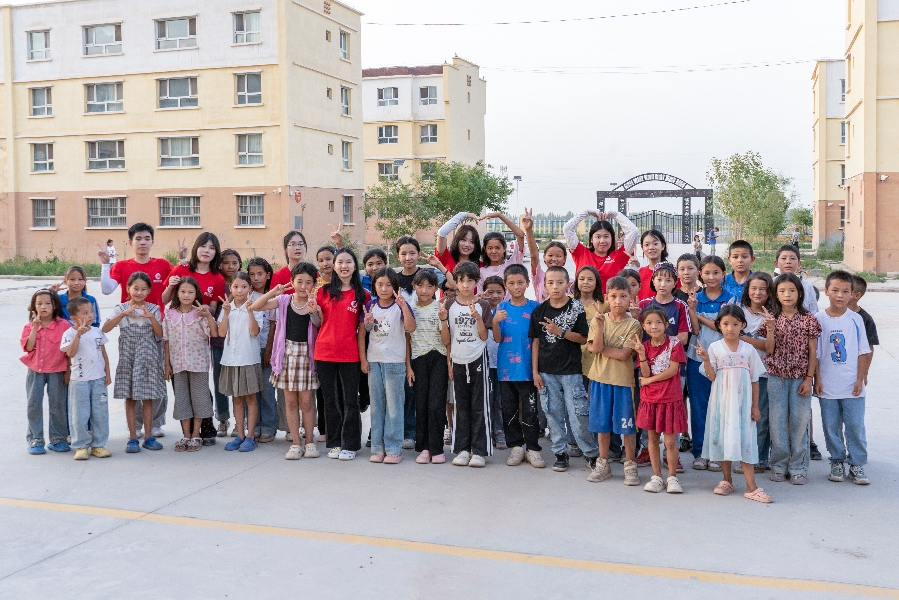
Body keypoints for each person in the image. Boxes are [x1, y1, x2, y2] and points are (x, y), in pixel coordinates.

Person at [97, 223, 184, 437]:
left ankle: (155, 424)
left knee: (155, 378)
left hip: (156, 328)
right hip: (131, 329)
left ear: (153, 241)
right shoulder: (122, 266)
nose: (142, 242)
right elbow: (107, 289)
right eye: (138, 238)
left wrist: (182, 261)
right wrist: (106, 265)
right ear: (130, 242)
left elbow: (180, 282)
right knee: (132, 378)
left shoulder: (163, 264)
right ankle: (135, 426)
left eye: (146, 238)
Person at [694, 305, 772, 503]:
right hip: (722, 403)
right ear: (719, 326)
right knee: (724, 439)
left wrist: (755, 406)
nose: (730, 328)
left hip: (743, 405)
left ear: (743, 325)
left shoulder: (748, 349)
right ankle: (726, 480)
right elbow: (711, 376)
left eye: (735, 324)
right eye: (726, 324)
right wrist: (705, 360)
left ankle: (751, 487)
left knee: (746, 440)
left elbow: (755, 379)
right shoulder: (715, 348)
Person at [530, 266, 597, 473]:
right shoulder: (540, 310)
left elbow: (584, 338)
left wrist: (561, 332)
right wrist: (535, 372)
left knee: (578, 415)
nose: (555, 287)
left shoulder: (576, 307)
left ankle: (591, 454)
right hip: (546, 371)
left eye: (560, 282)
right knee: (552, 413)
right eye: (550, 283)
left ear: (568, 284)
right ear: (545, 285)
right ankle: (560, 453)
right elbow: (535, 342)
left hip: (571, 371)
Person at [252, 263, 321, 460]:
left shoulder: (314, 302)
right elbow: (256, 306)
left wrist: (313, 311)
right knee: (290, 402)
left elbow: (319, 324)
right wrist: (273, 291)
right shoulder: (283, 300)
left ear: (314, 284)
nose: (303, 286)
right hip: (287, 354)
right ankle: (296, 444)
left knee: (307, 402)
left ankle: (310, 442)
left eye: (308, 282)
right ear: (292, 282)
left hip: (307, 355)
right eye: (299, 281)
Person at [161, 232, 226, 444]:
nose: (207, 251)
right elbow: (165, 299)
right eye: (203, 246)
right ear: (196, 248)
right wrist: (170, 285)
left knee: (200, 390)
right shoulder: (181, 269)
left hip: (199, 335)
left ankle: (204, 431)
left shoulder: (217, 277)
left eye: (212, 248)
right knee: (182, 392)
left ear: (216, 252)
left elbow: (214, 306)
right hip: (178, 340)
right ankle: (187, 434)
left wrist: (205, 310)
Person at [757, 273, 821, 485]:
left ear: (800, 293)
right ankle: (778, 465)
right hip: (777, 377)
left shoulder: (809, 319)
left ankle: (798, 467)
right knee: (777, 422)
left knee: (800, 422)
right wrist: (771, 328)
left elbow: (813, 352)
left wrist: (809, 378)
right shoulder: (771, 318)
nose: (787, 294)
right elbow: (769, 349)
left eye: (792, 290)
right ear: (775, 294)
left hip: (800, 378)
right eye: (782, 291)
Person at [814, 270, 872, 485]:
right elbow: (815, 354)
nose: (840, 295)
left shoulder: (856, 319)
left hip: (851, 385)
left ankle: (856, 463)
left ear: (852, 294)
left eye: (845, 291)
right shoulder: (818, 320)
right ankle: (837, 460)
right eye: (835, 290)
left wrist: (860, 378)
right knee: (831, 426)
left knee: (855, 425)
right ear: (826, 291)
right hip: (827, 385)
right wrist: (817, 379)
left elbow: (863, 351)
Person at [632, 262, 692, 470]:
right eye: (659, 279)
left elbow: (683, 336)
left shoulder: (680, 305)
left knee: (671, 409)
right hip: (647, 364)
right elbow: (636, 332)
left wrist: (663, 345)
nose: (663, 284)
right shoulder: (643, 304)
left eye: (668, 280)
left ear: (675, 283)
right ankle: (647, 450)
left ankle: (671, 454)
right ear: (652, 281)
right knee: (649, 410)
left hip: (672, 366)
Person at [586, 276, 642, 484]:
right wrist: (600, 328)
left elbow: (624, 354)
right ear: (606, 297)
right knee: (602, 424)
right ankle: (603, 463)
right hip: (599, 379)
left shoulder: (634, 325)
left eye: (623, 296)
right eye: (614, 296)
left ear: (630, 298)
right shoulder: (598, 320)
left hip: (623, 382)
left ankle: (630, 464)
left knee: (627, 426)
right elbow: (594, 347)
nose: (618, 301)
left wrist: (600, 348)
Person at [102, 272, 166, 453]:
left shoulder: (153, 309)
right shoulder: (121, 308)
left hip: (148, 359)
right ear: (128, 289)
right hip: (128, 358)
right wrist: (123, 314)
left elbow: (160, 334)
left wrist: (150, 317)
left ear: (149, 291)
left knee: (148, 398)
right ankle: (132, 437)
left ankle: (149, 436)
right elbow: (105, 328)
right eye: (135, 288)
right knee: (130, 398)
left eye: (143, 289)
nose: (139, 292)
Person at [316, 248, 370, 462]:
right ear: (334, 266)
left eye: (348, 262)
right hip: (324, 353)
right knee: (331, 401)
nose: (344, 266)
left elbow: (364, 329)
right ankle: (335, 442)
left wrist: (363, 358)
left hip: (350, 354)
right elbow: (318, 322)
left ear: (355, 266)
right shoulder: (323, 292)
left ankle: (351, 444)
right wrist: (311, 312)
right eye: (340, 262)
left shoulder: (363, 295)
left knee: (351, 401)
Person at [439, 261, 494, 468]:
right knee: (460, 406)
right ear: (456, 281)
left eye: (470, 280)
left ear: (476, 282)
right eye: (461, 280)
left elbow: (484, 336)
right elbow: (446, 340)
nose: (465, 285)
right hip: (457, 359)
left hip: (478, 358)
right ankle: (462, 449)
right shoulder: (449, 305)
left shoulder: (483, 305)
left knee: (479, 405)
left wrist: (478, 318)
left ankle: (479, 451)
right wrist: (449, 362)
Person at [684, 256, 735, 470]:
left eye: (716, 272)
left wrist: (701, 316)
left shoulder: (731, 298)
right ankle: (700, 452)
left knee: (722, 407)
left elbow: (724, 327)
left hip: (724, 360)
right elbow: (695, 330)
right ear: (700, 274)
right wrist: (693, 310)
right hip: (697, 358)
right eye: (707, 273)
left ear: (724, 274)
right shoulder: (695, 298)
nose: (711, 277)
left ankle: (718, 453)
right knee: (699, 406)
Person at [362, 267, 416, 464]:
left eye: (388, 285)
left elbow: (411, 328)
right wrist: (363, 359)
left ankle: (394, 448)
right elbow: (365, 331)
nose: (384, 289)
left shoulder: (401, 305)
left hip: (395, 361)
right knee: (377, 406)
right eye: (380, 284)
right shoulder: (370, 305)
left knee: (394, 406)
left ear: (395, 286)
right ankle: (377, 447)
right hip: (374, 360)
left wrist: (403, 307)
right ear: (374, 286)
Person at [492, 264, 543, 468]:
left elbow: (538, 340)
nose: (516, 287)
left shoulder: (535, 307)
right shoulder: (501, 309)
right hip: (506, 370)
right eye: (511, 283)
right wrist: (495, 322)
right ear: (505, 285)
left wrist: (536, 370)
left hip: (528, 370)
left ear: (527, 283)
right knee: (509, 410)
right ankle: (516, 447)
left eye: (520, 282)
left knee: (530, 410)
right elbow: (497, 339)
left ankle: (533, 448)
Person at [633, 307, 688, 493]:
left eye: (658, 322)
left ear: (666, 324)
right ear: (643, 326)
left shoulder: (675, 344)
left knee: (670, 441)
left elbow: (672, 370)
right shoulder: (644, 346)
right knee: (652, 438)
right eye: (649, 323)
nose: (654, 326)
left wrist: (649, 381)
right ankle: (656, 476)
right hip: (650, 399)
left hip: (670, 398)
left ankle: (672, 477)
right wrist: (642, 355)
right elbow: (645, 371)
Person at [162, 277, 217, 453]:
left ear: (196, 294)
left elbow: (213, 332)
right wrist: (167, 364)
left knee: (200, 399)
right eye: (183, 291)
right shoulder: (169, 314)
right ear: (177, 293)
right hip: (178, 365)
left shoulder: (200, 314)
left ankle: (196, 434)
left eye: (190, 292)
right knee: (182, 400)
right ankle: (186, 435)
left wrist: (208, 315)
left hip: (198, 364)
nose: (186, 295)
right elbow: (166, 340)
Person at [218, 272, 266, 453]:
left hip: (248, 359)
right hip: (230, 360)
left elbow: (254, 332)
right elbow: (221, 333)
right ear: (230, 288)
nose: (240, 290)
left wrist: (250, 311)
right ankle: (239, 435)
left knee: (250, 398)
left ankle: (250, 436)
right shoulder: (227, 307)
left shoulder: (255, 306)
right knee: (236, 398)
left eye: (244, 287)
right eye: (236, 287)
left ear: (250, 288)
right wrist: (225, 313)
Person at [21, 289, 70, 455]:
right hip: (35, 370)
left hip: (57, 370)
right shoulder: (29, 326)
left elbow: (69, 352)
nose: (43, 307)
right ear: (34, 307)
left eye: (48, 303)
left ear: (55, 305)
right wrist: (35, 328)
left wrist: (68, 372)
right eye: (39, 304)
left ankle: (58, 439)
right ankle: (36, 439)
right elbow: (28, 347)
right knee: (33, 404)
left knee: (57, 404)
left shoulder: (64, 325)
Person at [61, 297, 112, 460]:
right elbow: (70, 353)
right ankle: (81, 446)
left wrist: (107, 373)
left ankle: (98, 445)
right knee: (79, 414)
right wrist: (78, 335)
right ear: (74, 318)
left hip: (98, 379)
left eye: (91, 311)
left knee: (100, 413)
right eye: (85, 313)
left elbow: (104, 354)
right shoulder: (69, 334)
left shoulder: (97, 332)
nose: (90, 315)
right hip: (79, 381)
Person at [408, 269, 450, 464]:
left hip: (439, 358)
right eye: (420, 286)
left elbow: (446, 341)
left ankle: (437, 448)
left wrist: (443, 320)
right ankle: (424, 447)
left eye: (429, 286)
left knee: (436, 404)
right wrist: (408, 367)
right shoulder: (410, 309)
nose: (424, 290)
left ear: (435, 288)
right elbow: (407, 340)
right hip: (418, 360)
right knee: (421, 404)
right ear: (414, 287)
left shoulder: (439, 307)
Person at [737, 272, 774, 474]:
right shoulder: (740, 311)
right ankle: (743, 456)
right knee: (741, 416)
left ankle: (760, 459)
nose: (758, 293)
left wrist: (744, 337)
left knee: (760, 416)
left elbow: (769, 347)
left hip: (763, 373)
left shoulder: (772, 315)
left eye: (763, 289)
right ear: (747, 290)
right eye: (754, 288)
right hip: (740, 372)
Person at [563, 208, 639, 293]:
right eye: (598, 237)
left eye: (606, 236)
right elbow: (567, 229)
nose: (602, 241)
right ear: (591, 239)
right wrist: (587, 212)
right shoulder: (581, 253)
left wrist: (615, 215)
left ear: (612, 238)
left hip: (610, 301)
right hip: (583, 300)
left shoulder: (620, 256)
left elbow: (634, 231)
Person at [247, 258, 277, 443]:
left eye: (260, 274)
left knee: (266, 389)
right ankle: (253, 425)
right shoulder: (246, 294)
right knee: (251, 390)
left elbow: (273, 325)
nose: (256, 278)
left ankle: (268, 425)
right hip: (248, 349)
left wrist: (268, 350)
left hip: (265, 348)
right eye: (252, 274)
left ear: (268, 275)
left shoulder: (272, 296)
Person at [216, 249, 243, 438]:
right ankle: (223, 418)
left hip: (240, 341)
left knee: (239, 384)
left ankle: (241, 421)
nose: (230, 266)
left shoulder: (243, 283)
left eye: (234, 263)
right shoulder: (217, 283)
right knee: (220, 381)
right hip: (219, 339)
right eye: (226, 262)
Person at [522, 208, 571, 303]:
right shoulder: (539, 276)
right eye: (550, 255)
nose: (554, 259)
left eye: (558, 256)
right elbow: (534, 256)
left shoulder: (571, 282)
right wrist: (528, 230)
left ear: (564, 258)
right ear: (544, 257)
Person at [482, 276, 506, 448]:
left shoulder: (506, 310)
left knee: (500, 400)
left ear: (505, 293)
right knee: (487, 399)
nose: (495, 296)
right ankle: (486, 430)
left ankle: (499, 431)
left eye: (499, 292)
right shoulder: (480, 309)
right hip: (485, 362)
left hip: (503, 363)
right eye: (490, 292)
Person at [477, 212, 526, 295]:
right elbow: (480, 297)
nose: (494, 251)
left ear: (504, 248)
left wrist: (500, 216)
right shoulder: (481, 272)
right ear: (485, 249)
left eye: (497, 248)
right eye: (490, 248)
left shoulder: (512, 264)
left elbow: (521, 235)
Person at [774, 245, 818, 314]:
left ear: (799, 264)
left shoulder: (806, 285)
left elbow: (814, 311)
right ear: (776, 263)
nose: (788, 262)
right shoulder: (771, 283)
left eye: (792, 258)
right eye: (783, 258)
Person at [637, 229, 673, 301]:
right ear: (642, 248)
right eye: (647, 245)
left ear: (663, 246)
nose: (651, 248)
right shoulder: (640, 272)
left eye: (655, 244)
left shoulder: (671, 271)